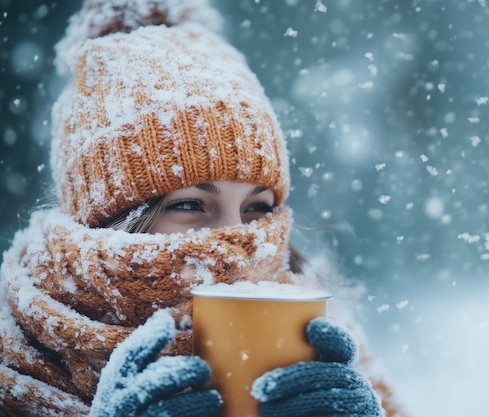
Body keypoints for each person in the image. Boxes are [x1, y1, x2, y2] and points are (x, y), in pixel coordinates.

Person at [0, 0, 407, 416]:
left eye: (258, 207)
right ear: (105, 222)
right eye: (192, 204)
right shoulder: (14, 362)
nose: (238, 240)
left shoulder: (321, 341)